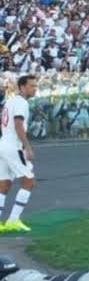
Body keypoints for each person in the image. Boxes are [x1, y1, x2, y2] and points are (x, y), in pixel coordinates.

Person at [0, 75, 38, 232]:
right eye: (31, 86)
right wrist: (27, 147)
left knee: (4, 184)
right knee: (29, 181)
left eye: (35, 86)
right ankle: (13, 221)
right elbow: (18, 124)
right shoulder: (21, 103)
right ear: (22, 87)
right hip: (13, 146)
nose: (34, 89)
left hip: (3, 144)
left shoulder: (10, 101)